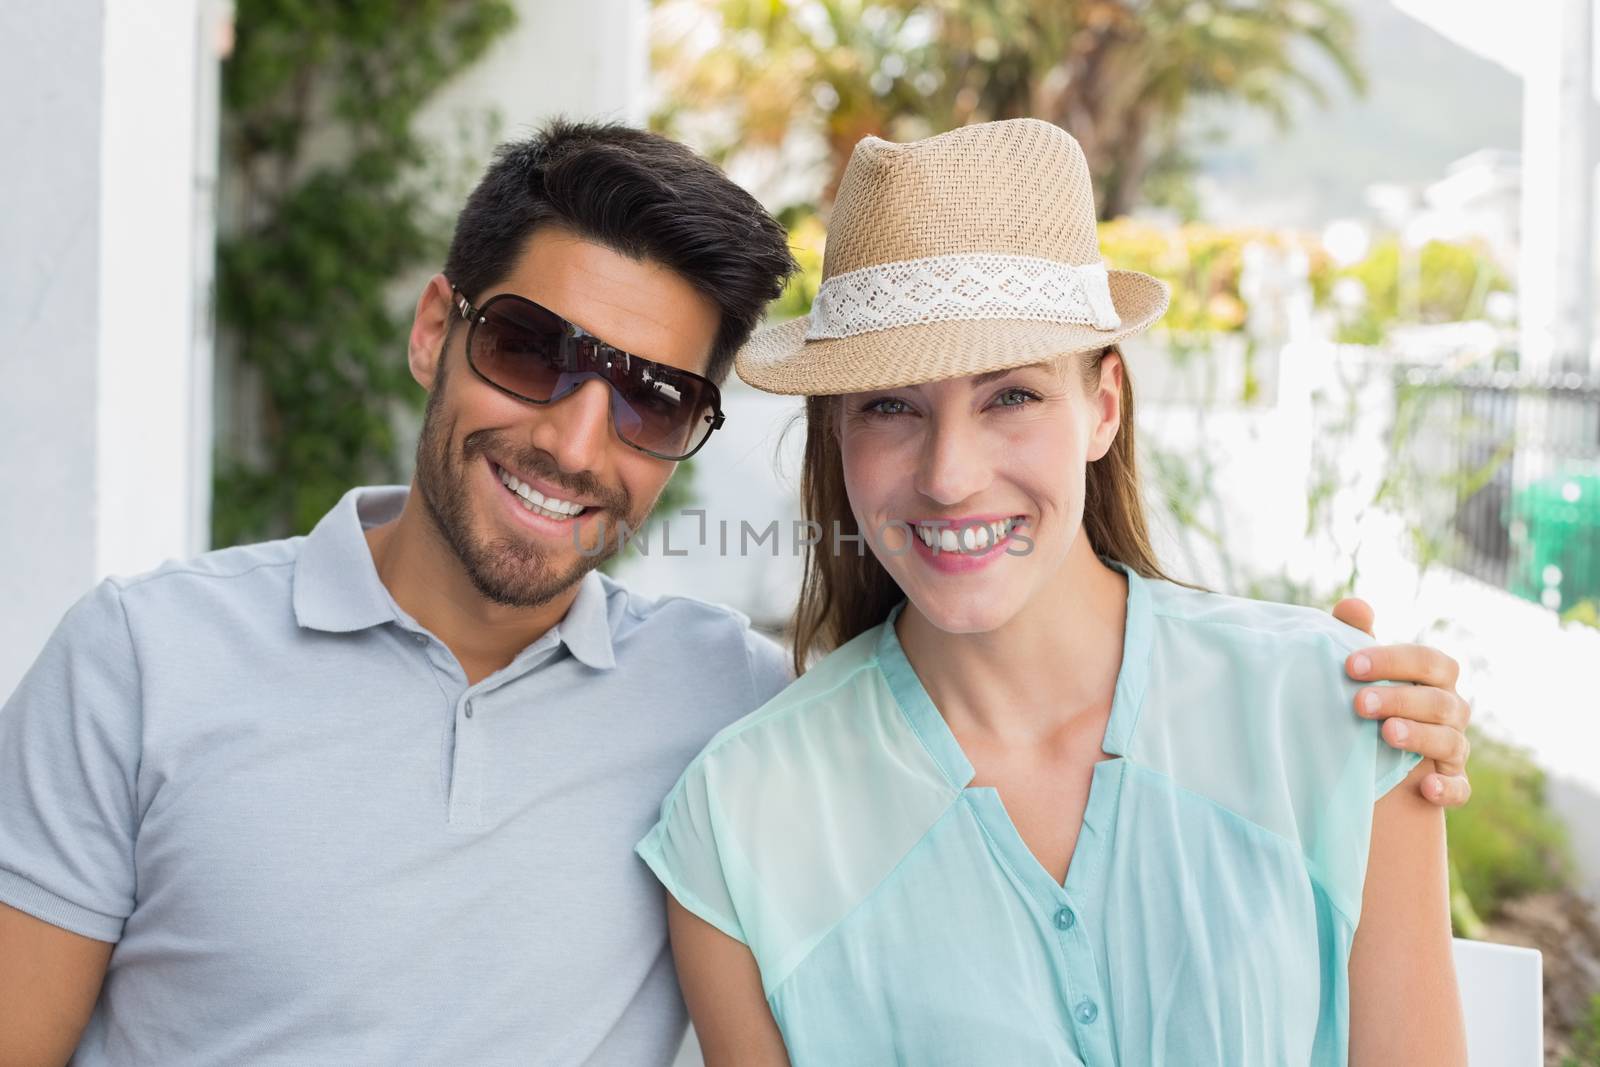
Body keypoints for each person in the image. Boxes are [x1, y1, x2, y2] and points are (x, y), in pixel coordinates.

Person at [0, 120, 1467, 1067]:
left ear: (1104, 406)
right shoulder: (144, 658)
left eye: (647, 397)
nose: (576, 439)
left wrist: (1356, 704)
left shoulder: (717, 706)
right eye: (527, 349)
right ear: (437, 326)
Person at [637, 119, 1468, 1066]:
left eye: (1012, 396)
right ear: (837, 435)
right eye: (891, 406)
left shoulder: (1334, 713)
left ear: (1103, 405)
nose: (949, 475)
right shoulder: (736, 822)